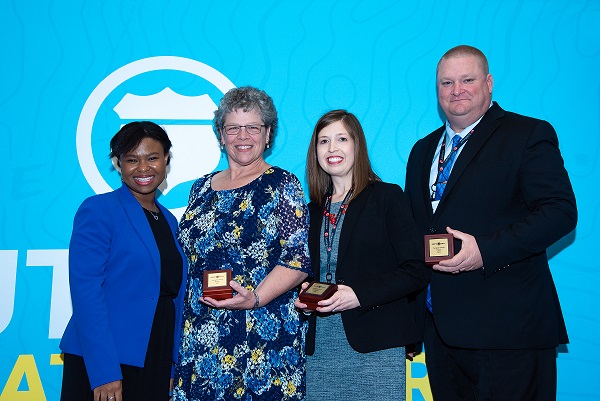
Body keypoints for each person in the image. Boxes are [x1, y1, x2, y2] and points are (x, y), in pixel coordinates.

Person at [404, 45, 578, 400]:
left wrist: (484, 250)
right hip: (440, 332)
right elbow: (414, 232)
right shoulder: (421, 150)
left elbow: (560, 211)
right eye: (446, 82)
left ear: (489, 83)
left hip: (509, 331)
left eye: (467, 80)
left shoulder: (527, 134)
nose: (457, 91)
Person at [173, 86, 311, 401]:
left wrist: (255, 299)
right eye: (233, 127)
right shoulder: (201, 188)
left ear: (268, 134)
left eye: (253, 127)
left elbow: (299, 258)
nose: (243, 135)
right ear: (221, 135)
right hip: (202, 335)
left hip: (260, 336)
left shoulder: (282, 184)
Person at [294, 109, 429, 400]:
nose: (332, 149)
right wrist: (305, 297)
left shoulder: (387, 197)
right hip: (320, 353)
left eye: (342, 139)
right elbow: (308, 274)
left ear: (357, 145)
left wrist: (358, 295)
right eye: (323, 141)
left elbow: (416, 270)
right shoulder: (311, 211)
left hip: (376, 348)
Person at [60, 121, 188, 401]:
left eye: (152, 158)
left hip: (155, 353)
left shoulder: (170, 220)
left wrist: (170, 363)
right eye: (132, 160)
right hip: (106, 357)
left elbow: (172, 296)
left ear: (166, 159)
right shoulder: (99, 210)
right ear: (118, 164)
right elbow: (86, 293)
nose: (143, 168)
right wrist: (104, 371)